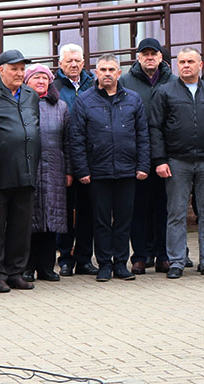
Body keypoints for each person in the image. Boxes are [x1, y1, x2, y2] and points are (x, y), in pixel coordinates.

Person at [148, 47, 204, 279]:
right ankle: (176, 261)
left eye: (191, 61)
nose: (186, 65)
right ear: (177, 65)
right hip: (176, 162)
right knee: (175, 214)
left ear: (200, 65)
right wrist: (160, 160)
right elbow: (155, 128)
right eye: (182, 61)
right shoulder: (165, 92)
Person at [68, 54, 150, 281]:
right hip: (98, 172)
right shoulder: (84, 100)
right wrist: (82, 170)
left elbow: (143, 135)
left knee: (124, 219)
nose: (107, 73)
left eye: (111, 69)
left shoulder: (133, 99)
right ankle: (104, 264)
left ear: (119, 73)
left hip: (127, 170)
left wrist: (143, 165)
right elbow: (76, 139)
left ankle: (121, 264)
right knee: (101, 220)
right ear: (95, 72)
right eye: (102, 69)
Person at [0, 49, 40, 293]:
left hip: (26, 169)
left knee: (21, 226)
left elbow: (34, 128)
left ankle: (16, 271)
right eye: (14, 68)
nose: (19, 73)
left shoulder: (32, 95)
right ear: (1, 70)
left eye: (22, 68)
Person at [119, 37, 173, 274]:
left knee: (164, 208)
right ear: (138, 57)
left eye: (154, 54)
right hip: (135, 155)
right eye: (145, 54)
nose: (150, 57)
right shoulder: (126, 81)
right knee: (137, 209)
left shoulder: (173, 81)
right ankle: (139, 256)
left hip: (166, 157)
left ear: (161, 57)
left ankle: (163, 255)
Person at [54, 42, 97, 276]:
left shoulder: (94, 84)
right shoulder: (55, 87)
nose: (73, 64)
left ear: (83, 62)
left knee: (87, 212)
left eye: (77, 60)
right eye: (68, 61)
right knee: (64, 211)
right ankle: (65, 258)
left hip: (90, 160)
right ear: (60, 63)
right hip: (64, 159)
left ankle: (84, 258)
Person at [24, 64, 70, 282]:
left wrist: (69, 170)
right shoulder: (21, 104)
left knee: (52, 220)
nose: (41, 81)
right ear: (27, 82)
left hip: (54, 169)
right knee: (29, 220)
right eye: (36, 78)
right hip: (28, 168)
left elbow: (69, 141)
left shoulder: (60, 106)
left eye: (45, 78)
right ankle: (27, 267)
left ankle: (47, 268)